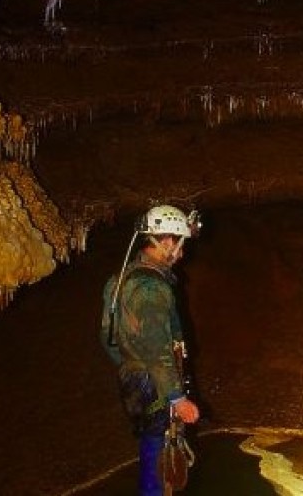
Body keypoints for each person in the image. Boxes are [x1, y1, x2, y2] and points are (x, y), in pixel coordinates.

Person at [101, 204, 202, 496]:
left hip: (134, 379)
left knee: (151, 448)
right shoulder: (151, 288)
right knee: (160, 455)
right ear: (167, 241)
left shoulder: (120, 279)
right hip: (155, 384)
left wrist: (130, 366)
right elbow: (158, 348)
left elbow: (107, 337)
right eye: (180, 243)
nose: (181, 252)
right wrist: (177, 398)